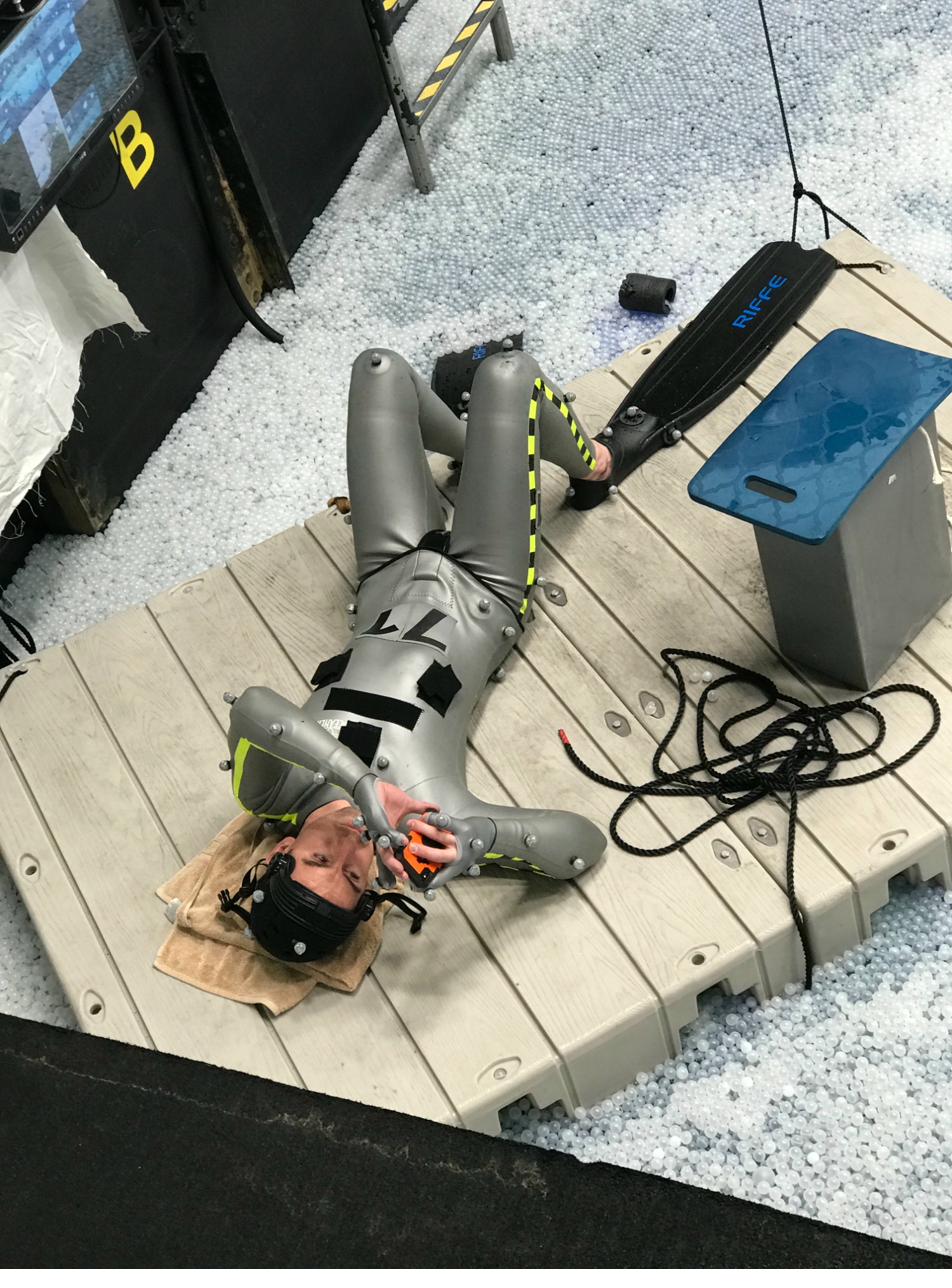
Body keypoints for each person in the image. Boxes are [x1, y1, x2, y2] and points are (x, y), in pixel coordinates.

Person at [218, 344, 618, 963]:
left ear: (282, 853)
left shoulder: (270, 792)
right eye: (354, 875)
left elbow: (253, 707)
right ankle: (593, 463)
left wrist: (360, 783)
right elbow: (582, 845)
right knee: (506, 375)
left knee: (379, 369)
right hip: (487, 588)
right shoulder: (431, 822)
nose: (349, 848)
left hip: (387, 568)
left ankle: (480, 453)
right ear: (375, 890)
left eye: (320, 859)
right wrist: (479, 842)